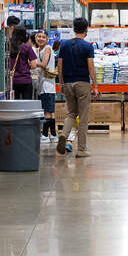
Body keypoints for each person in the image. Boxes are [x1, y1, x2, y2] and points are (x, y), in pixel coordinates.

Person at [55, 16, 96, 158]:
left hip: (68, 83)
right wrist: (95, 85)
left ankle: (64, 135)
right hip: (83, 83)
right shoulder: (88, 46)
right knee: (83, 117)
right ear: (86, 30)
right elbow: (91, 67)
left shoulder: (64, 45)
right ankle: (81, 149)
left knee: (71, 113)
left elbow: (59, 65)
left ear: (73, 29)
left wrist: (61, 83)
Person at [33, 29, 58, 140]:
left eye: (43, 37)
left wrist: (32, 64)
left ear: (47, 39)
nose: (41, 39)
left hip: (47, 85)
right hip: (46, 84)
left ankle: (44, 135)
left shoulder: (47, 49)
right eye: (39, 36)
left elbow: (43, 64)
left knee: (47, 111)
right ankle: (53, 134)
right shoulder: (40, 49)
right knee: (50, 111)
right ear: (35, 38)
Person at [10, 27, 38, 100]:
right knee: (27, 105)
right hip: (25, 80)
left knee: (14, 105)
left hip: (13, 80)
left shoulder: (9, 47)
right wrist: (26, 65)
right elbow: (34, 65)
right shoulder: (27, 47)